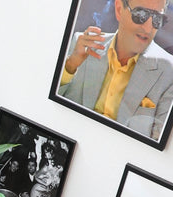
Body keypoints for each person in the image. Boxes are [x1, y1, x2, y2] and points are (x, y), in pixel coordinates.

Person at [57, 0, 173, 140]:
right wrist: (70, 66)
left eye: (157, 19)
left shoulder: (169, 72)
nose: (148, 28)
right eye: (140, 15)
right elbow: (52, 107)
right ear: (119, 9)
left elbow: (157, 144)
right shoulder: (82, 46)